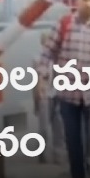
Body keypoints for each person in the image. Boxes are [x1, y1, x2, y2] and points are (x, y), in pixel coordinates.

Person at [37, 0, 90, 178]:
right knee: (72, 137)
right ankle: (78, 177)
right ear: (77, 2)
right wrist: (41, 79)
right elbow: (47, 53)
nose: (89, 4)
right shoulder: (64, 25)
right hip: (67, 93)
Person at [32, 31, 65, 165]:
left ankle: (58, 155)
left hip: (57, 94)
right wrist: (36, 100)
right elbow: (35, 81)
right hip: (44, 95)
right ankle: (42, 154)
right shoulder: (37, 58)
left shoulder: (58, 59)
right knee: (44, 127)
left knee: (59, 126)